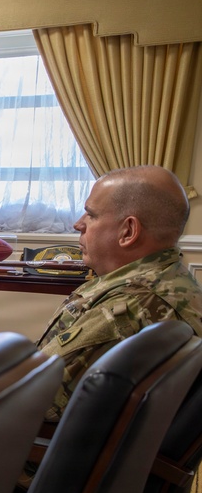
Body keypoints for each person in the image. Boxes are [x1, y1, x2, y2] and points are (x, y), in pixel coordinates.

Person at [37, 165, 202, 424]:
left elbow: (34, 402)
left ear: (128, 231)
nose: (78, 224)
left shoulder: (130, 306)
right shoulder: (171, 279)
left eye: (90, 215)